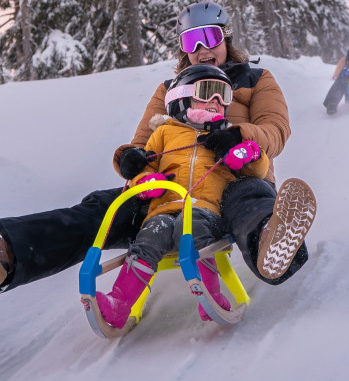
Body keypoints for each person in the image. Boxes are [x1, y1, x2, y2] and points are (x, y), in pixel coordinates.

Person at [0, 1, 314, 298]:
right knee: (102, 206)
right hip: (171, 187)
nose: (201, 49)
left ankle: (271, 242)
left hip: (233, 173)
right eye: (190, 41)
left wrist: (240, 134)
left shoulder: (255, 78)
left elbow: (277, 129)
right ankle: (6, 250)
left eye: (210, 38)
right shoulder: (169, 89)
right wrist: (129, 160)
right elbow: (139, 144)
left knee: (250, 200)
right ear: (182, 48)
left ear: (226, 39)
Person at [96, 64, 269, 328]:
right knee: (148, 238)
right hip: (163, 209)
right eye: (208, 91)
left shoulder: (225, 135)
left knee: (194, 230)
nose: (217, 101)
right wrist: (145, 181)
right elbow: (145, 167)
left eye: (223, 95)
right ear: (183, 96)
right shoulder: (164, 133)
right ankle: (119, 304)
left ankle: (209, 298)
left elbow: (258, 169)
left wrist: (247, 153)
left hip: (207, 209)